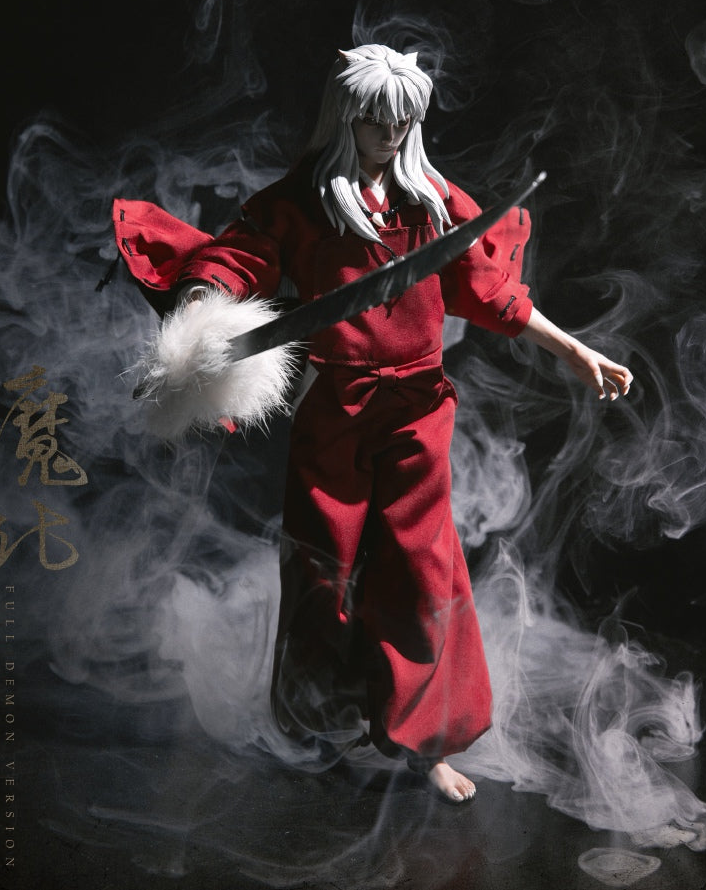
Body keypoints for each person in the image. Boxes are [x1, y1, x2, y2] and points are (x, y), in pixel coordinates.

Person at [113, 44, 632, 803]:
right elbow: (237, 257)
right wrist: (201, 306)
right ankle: (325, 725)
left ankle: (424, 744)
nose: (390, 134)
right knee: (322, 569)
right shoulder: (301, 202)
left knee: (422, 573)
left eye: (403, 120)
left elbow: (492, 291)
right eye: (375, 120)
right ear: (345, 117)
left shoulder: (433, 201)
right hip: (336, 407)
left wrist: (576, 349)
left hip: (419, 411)